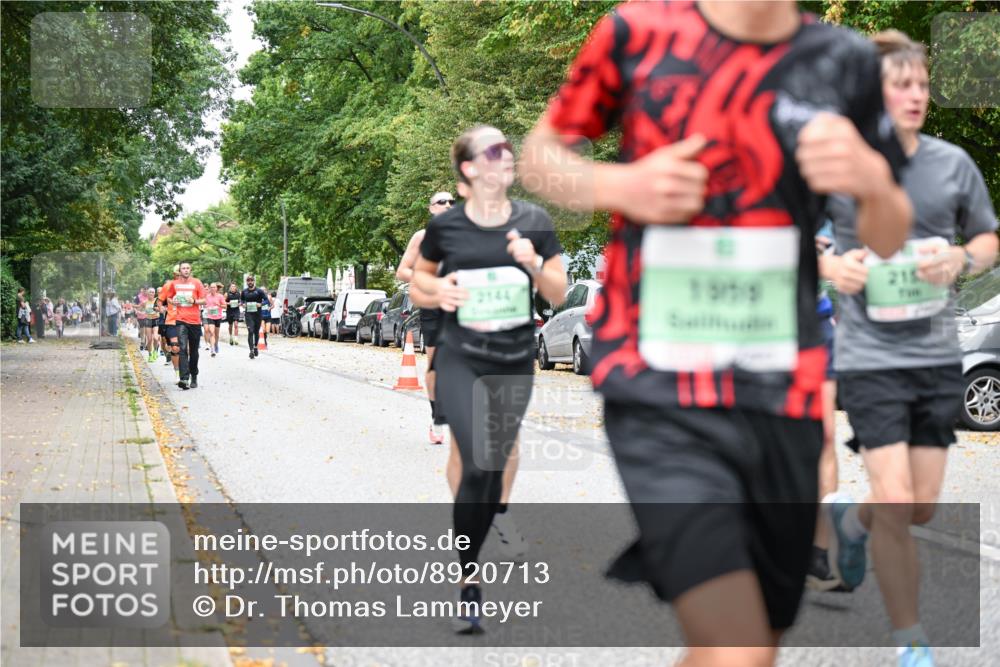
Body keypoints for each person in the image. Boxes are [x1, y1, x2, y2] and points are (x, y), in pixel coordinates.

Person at [519, 0, 913, 662]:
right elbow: (540, 156)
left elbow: (890, 231)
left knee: (754, 638)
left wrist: (872, 182)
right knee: (737, 643)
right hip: (658, 383)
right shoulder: (636, 31)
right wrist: (624, 181)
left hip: (780, 389)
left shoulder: (841, 60)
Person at [821, 30, 998, 667]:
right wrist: (832, 267)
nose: (917, 94)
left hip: (933, 356)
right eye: (902, 84)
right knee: (897, 500)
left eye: (923, 83)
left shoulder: (952, 164)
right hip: (870, 358)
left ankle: (849, 521)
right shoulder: (838, 169)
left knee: (918, 506)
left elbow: (987, 239)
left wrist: (960, 256)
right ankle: (911, 640)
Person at [413, 125, 567, 634]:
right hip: (461, 357)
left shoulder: (534, 221)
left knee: (492, 461)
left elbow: (560, 293)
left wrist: (532, 264)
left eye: (507, 149)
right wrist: (440, 293)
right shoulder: (446, 228)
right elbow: (418, 282)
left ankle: (480, 544)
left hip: (513, 358)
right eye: (492, 150)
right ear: (467, 174)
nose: (505, 156)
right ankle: (469, 584)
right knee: (476, 459)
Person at [396, 191, 456, 444]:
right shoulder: (421, 238)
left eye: (452, 202)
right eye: (441, 202)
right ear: (431, 209)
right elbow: (402, 271)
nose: (448, 205)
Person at [164, 262, 207, 389]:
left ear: (190, 270)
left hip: (194, 321)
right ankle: (184, 378)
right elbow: (169, 298)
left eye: (188, 268)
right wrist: (174, 301)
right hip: (180, 320)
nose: (186, 270)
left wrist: (194, 301)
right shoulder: (174, 284)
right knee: (181, 348)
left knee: (193, 351)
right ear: (180, 270)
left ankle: (194, 375)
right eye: (184, 268)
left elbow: (204, 300)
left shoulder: (197, 282)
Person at [240, 275, 269, 359]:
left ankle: (255, 346)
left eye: (251, 280)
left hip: (258, 314)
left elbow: (266, 300)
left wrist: (261, 304)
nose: (250, 282)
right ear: (247, 282)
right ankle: (251, 351)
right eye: (248, 280)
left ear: (254, 281)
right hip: (249, 314)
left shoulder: (259, 291)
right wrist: (242, 304)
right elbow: (241, 300)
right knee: (250, 331)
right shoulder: (244, 292)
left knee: (256, 332)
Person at [161, 267, 182, 377]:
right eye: (177, 274)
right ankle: (177, 372)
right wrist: (161, 308)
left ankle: (186, 372)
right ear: (174, 274)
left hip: (186, 321)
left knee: (185, 348)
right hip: (171, 321)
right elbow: (159, 301)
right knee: (175, 347)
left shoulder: (189, 287)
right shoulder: (168, 286)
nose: (179, 276)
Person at [203, 282, 226, 356]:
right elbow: (204, 304)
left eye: (214, 287)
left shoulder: (220, 296)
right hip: (210, 317)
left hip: (218, 317)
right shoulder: (207, 296)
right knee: (212, 332)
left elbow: (225, 306)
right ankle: (212, 349)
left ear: (216, 288)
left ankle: (216, 344)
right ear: (210, 288)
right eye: (211, 287)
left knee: (216, 334)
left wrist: (218, 305)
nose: (212, 289)